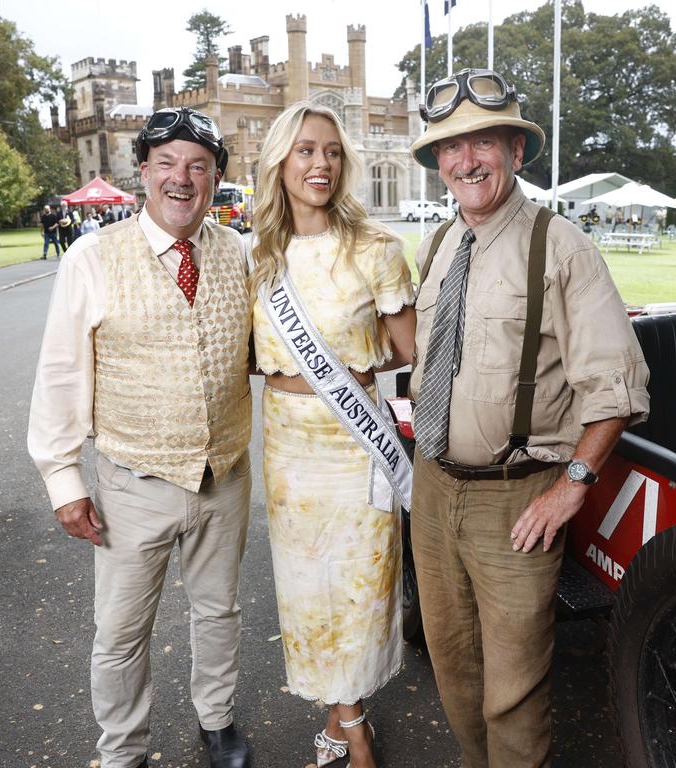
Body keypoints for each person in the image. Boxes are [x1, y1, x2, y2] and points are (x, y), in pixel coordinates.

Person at [407, 69, 650, 768]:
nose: (465, 160)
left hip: (517, 495)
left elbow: (617, 385)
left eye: (483, 140)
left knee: (513, 687)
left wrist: (572, 483)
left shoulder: (561, 245)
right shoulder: (439, 244)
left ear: (516, 149)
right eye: (450, 148)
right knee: (453, 666)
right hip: (433, 486)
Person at [28, 106, 254, 768]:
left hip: (226, 473)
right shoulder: (93, 258)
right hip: (133, 482)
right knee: (121, 634)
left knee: (219, 612)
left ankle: (217, 723)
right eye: (167, 164)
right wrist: (63, 482)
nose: (181, 180)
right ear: (142, 173)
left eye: (198, 166)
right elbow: (61, 372)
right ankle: (124, 752)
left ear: (216, 178)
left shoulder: (240, 253)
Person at [249, 102, 416, 768]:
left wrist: (353, 364)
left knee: (361, 586)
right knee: (309, 588)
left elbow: (411, 353)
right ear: (280, 162)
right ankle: (344, 719)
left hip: (356, 445)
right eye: (305, 151)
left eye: (332, 152)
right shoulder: (256, 254)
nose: (320, 164)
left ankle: (352, 731)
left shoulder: (376, 248)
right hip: (289, 446)